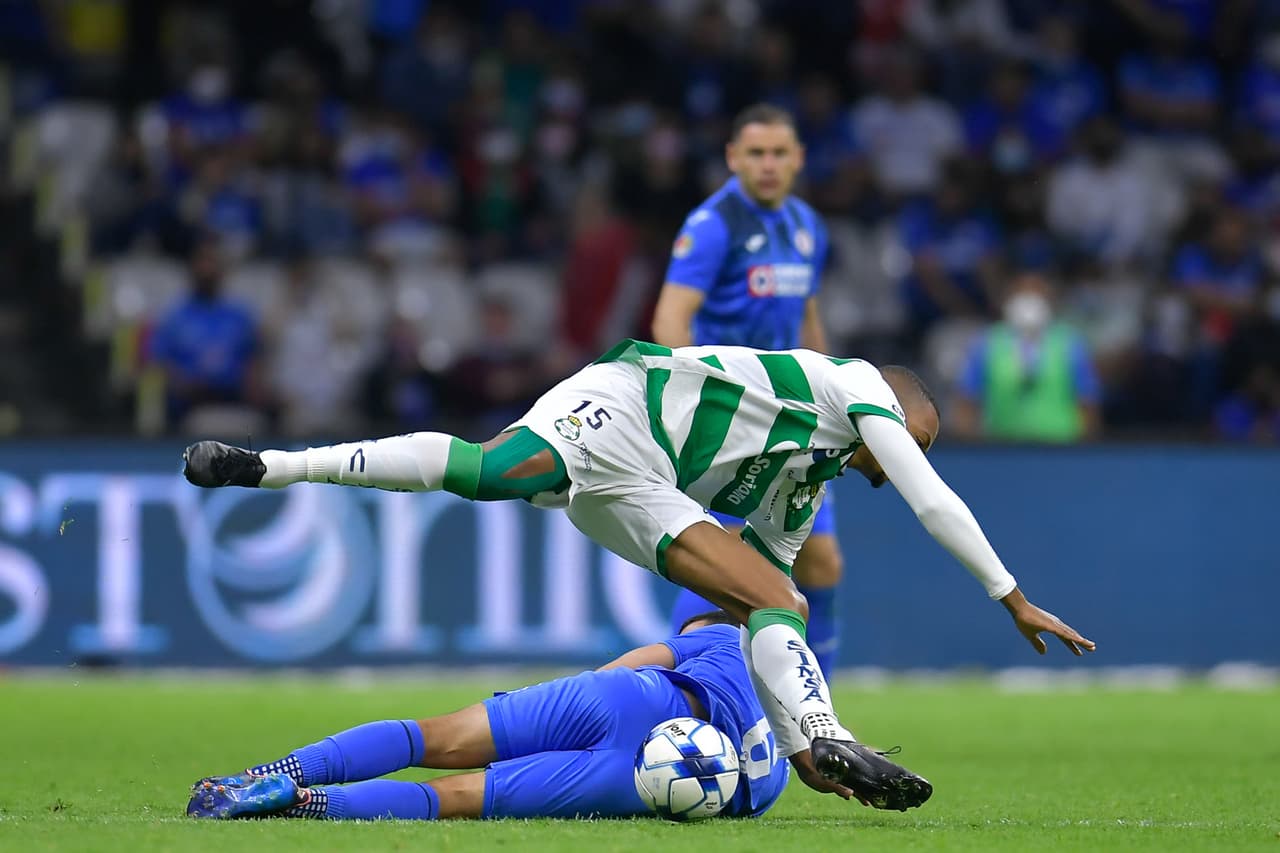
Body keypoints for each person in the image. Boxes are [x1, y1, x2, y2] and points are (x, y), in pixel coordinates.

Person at [183, 338, 1096, 811]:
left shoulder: (799, 491)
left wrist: (795, 745)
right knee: (490, 471)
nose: (892, 467)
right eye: (908, 441)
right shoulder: (853, 381)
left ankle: (821, 737)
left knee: (777, 597)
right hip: (623, 405)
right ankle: (274, 465)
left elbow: (756, 614)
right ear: (892, 408)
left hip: (645, 487)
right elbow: (934, 500)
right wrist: (1010, 596)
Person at [186, 611, 801, 821]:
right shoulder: (779, 768)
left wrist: (576, 699)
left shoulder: (729, 639)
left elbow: (640, 660)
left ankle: (269, 774)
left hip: (629, 698)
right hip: (661, 777)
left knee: (435, 737)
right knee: (453, 797)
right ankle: (303, 805)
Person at [649, 103, 844, 676]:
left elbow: (807, 316)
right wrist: (693, 404)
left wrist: (831, 393)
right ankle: (684, 688)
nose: (768, 165)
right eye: (756, 153)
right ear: (733, 158)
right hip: (733, 418)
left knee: (821, 563)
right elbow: (669, 319)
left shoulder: (807, 226)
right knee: (727, 562)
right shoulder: (713, 226)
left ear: (798, 159)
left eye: (779, 153)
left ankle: (819, 705)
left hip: (795, 419)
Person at [952, 271, 1101, 443]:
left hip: (1061, 447)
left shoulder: (1070, 343)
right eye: (1022, 294)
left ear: (1050, 301)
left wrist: (1085, 449)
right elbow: (967, 402)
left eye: (1037, 294)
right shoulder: (986, 344)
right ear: (1007, 300)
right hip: (1000, 447)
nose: (1029, 302)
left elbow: (1087, 403)